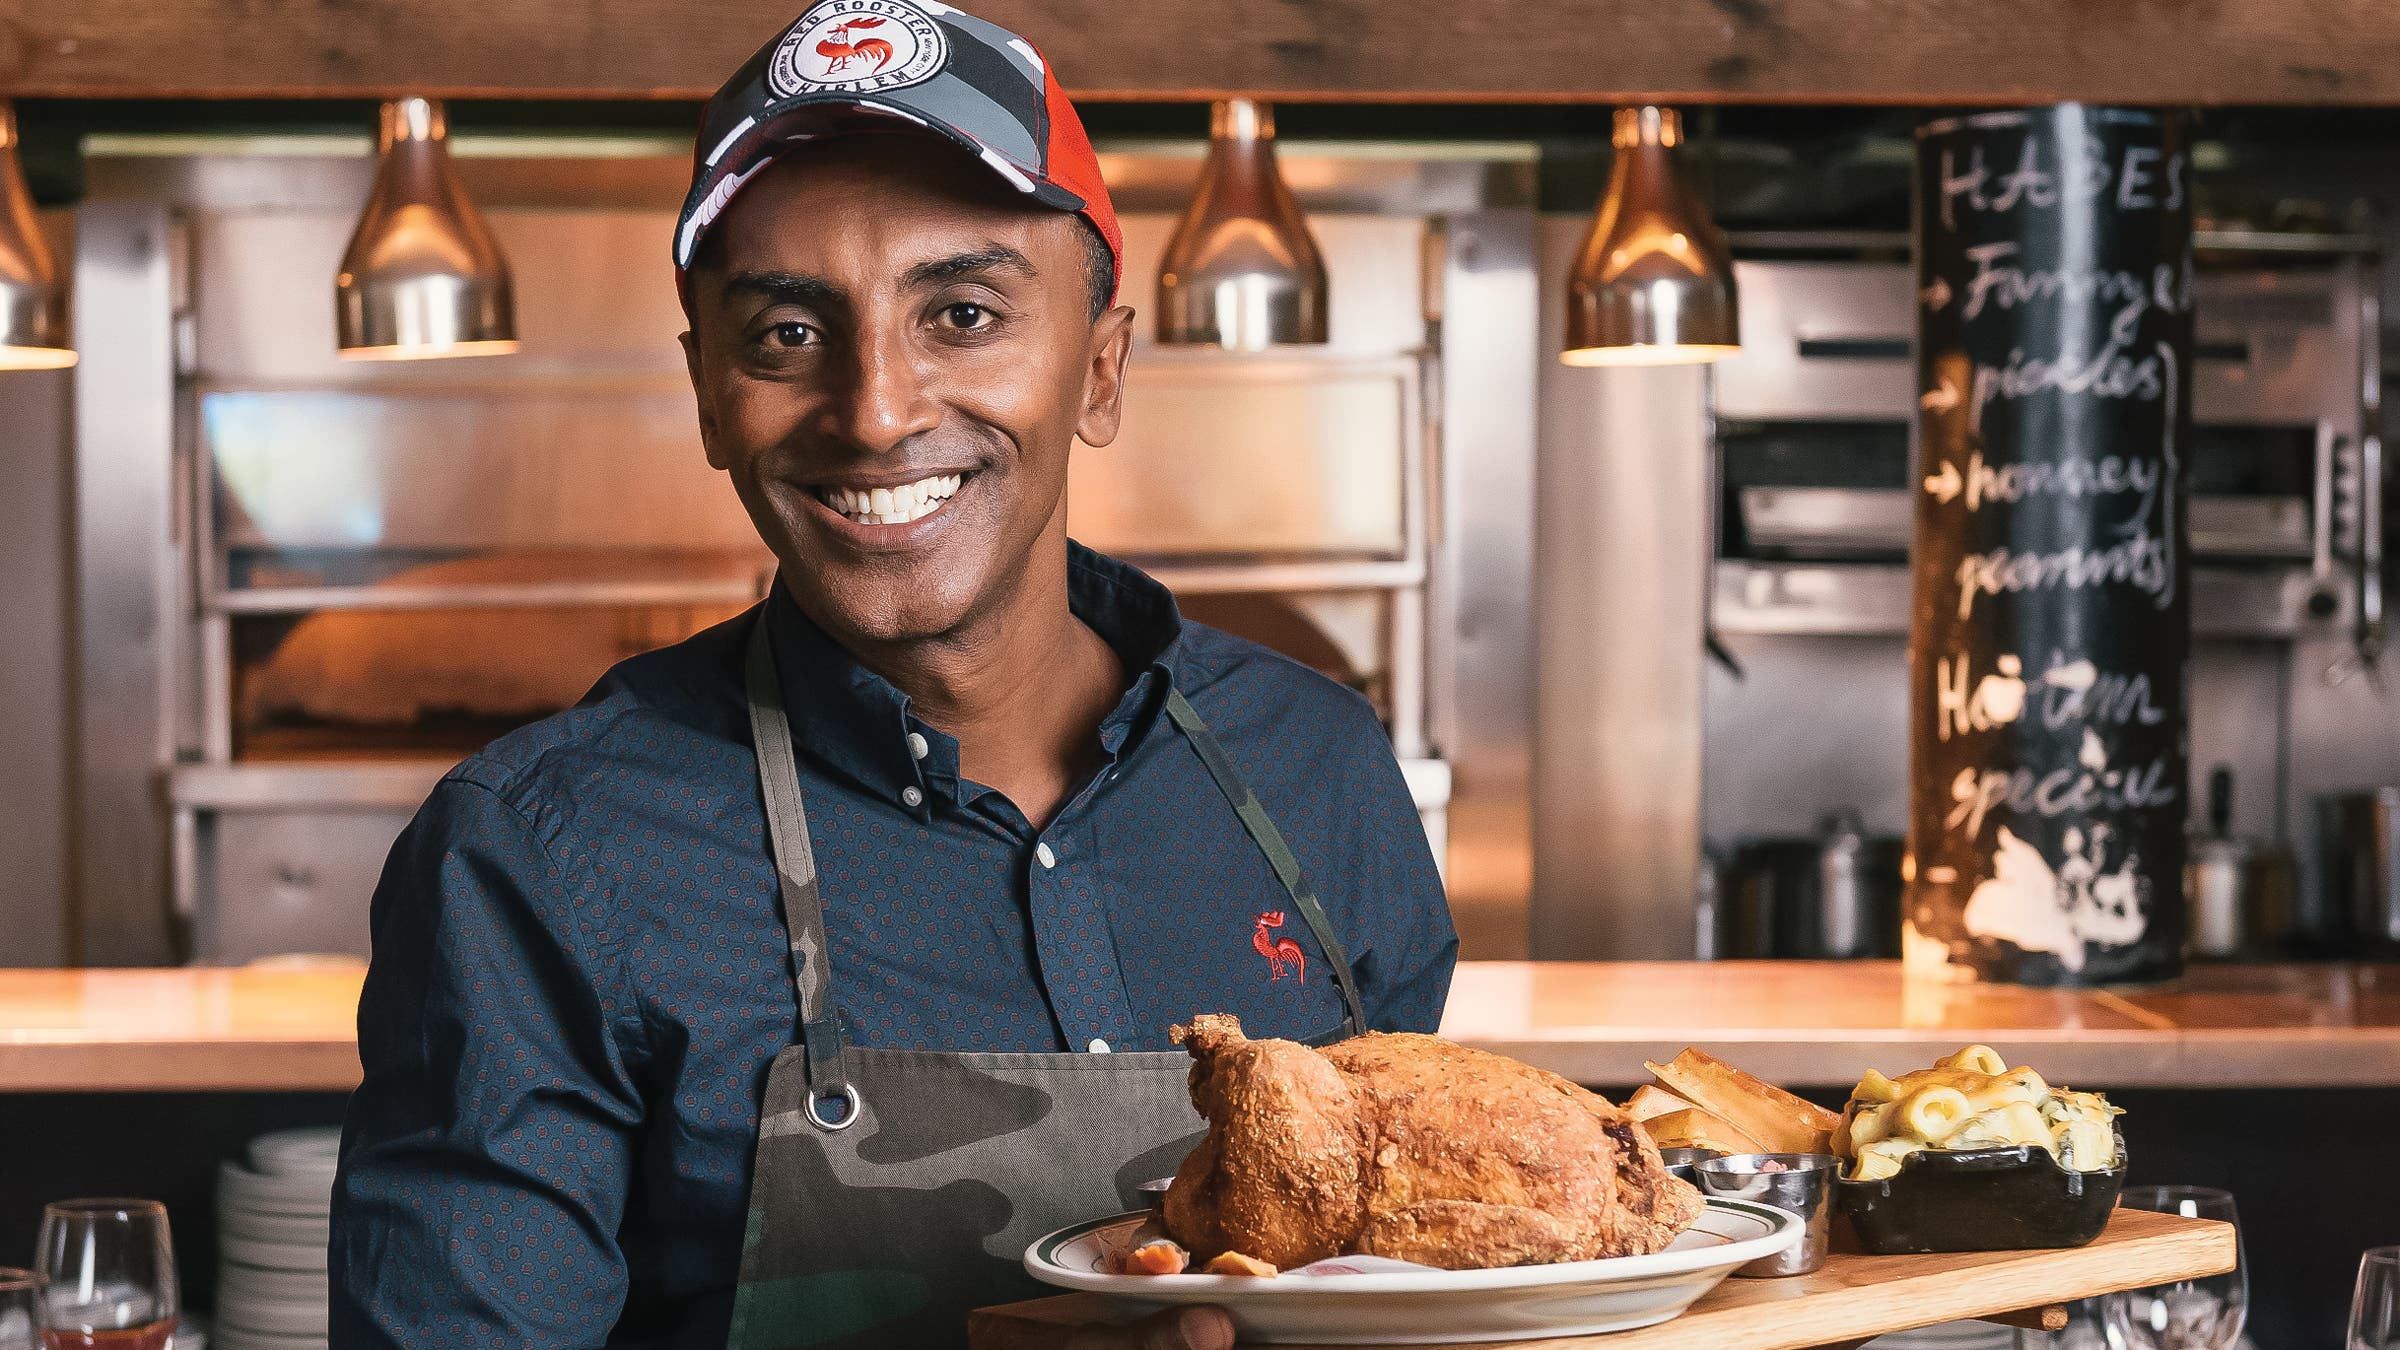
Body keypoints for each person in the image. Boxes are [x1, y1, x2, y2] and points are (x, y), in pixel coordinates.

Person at [327, 3, 1458, 1346]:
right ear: (707, 394)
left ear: (1099, 368)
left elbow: (1418, 1293)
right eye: (788, 335)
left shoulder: (1317, 770)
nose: (873, 410)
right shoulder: (535, 859)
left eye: (963, 312)